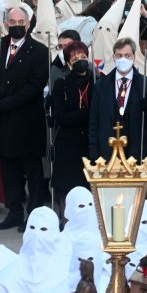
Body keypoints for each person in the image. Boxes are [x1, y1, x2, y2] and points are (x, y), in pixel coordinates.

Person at [0, 7, 51, 228]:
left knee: (32, 172)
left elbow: (34, 87)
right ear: (6, 23)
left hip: (28, 123)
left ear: (27, 24)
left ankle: (34, 214)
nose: (16, 25)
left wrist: (1, 105)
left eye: (20, 21)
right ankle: (14, 212)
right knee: (9, 171)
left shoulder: (40, 51)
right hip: (4, 124)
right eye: (12, 21)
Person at [88, 37, 147, 164]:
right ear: (113, 58)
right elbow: (94, 121)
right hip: (107, 154)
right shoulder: (101, 85)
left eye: (127, 56)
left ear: (134, 57)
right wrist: (94, 154)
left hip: (137, 153)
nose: (123, 59)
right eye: (119, 55)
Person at [50, 42, 94, 210]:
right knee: (66, 190)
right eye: (75, 59)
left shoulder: (97, 82)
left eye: (83, 57)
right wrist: (86, 113)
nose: (80, 61)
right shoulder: (62, 84)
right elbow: (60, 117)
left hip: (89, 143)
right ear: (69, 63)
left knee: (88, 190)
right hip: (67, 144)